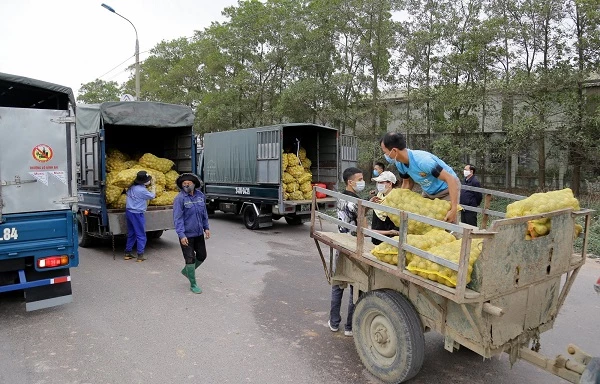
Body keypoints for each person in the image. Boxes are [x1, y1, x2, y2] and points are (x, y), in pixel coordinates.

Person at [380, 132, 460, 223]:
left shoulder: (423, 161)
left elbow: (451, 179)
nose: (386, 156)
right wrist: (398, 202)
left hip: (446, 190)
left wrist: (453, 209)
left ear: (394, 151)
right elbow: (407, 183)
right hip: (428, 191)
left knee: (446, 224)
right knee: (422, 222)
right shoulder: (399, 163)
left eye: (385, 152)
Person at [328, 167, 364, 337]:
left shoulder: (343, 196)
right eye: (360, 179)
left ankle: (334, 323)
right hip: (352, 246)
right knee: (354, 286)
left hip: (341, 243)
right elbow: (362, 222)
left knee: (338, 284)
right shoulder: (354, 202)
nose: (362, 182)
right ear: (351, 182)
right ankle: (349, 327)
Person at [173, 173, 210, 294]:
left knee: (202, 256)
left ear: (194, 184)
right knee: (190, 259)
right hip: (186, 235)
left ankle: (187, 271)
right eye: (184, 183)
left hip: (198, 233)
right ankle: (193, 284)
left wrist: (206, 227)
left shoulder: (200, 196)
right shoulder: (180, 198)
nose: (186, 185)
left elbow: (204, 213)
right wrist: (181, 235)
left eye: (189, 183)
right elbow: (177, 218)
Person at [124, 171, 156, 262]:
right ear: (143, 181)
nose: (149, 181)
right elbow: (152, 196)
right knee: (141, 234)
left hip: (129, 212)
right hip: (137, 213)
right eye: (148, 180)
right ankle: (140, 255)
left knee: (132, 233)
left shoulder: (131, 188)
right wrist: (153, 187)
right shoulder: (142, 190)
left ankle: (127, 253)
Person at [369, 171, 400, 244]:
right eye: (378, 182)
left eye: (381, 182)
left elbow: (397, 224)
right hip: (376, 235)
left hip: (388, 240)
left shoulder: (396, 198)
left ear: (390, 184)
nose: (378, 184)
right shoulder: (379, 195)